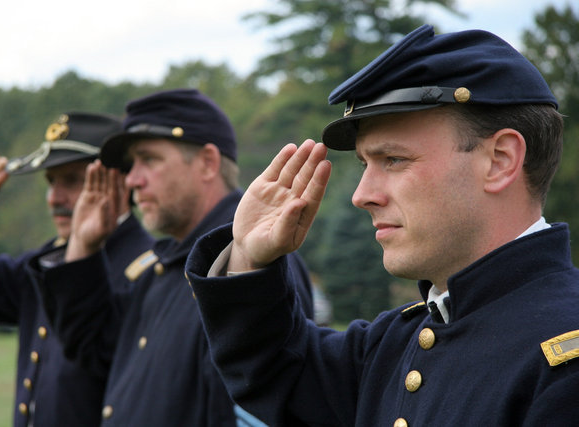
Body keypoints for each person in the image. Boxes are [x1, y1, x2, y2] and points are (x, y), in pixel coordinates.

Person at [185, 24, 579, 426]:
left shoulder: (565, 360)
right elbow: (279, 374)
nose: (362, 195)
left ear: (500, 160)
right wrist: (249, 258)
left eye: (394, 160)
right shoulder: (400, 340)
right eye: (364, 164)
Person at [26, 88, 314, 426]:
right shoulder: (161, 268)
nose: (132, 179)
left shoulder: (251, 264)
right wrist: (83, 249)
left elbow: (261, 408)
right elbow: (95, 354)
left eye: (149, 159)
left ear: (207, 163)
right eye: (132, 164)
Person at [0, 112, 155, 427]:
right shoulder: (52, 256)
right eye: (51, 182)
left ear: (119, 181)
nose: (54, 198)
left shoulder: (147, 268)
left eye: (72, 180)